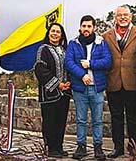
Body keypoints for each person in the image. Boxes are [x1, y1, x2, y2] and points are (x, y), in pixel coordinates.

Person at [65, 15, 112, 160]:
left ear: (94, 28)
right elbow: (69, 62)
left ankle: (98, 146)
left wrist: (90, 64)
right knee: (81, 120)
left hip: (97, 88)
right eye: (84, 26)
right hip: (80, 88)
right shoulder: (73, 43)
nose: (86, 29)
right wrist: (82, 75)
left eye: (89, 26)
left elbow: (107, 61)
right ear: (80, 27)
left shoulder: (101, 43)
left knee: (97, 120)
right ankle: (81, 146)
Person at [102, 5, 136, 158]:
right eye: (120, 15)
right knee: (116, 117)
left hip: (133, 81)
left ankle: (133, 148)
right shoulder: (106, 35)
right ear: (115, 17)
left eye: (126, 15)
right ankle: (117, 148)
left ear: (131, 17)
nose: (123, 18)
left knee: (133, 118)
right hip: (113, 81)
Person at [34, 22, 72, 158]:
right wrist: (58, 84)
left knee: (61, 121)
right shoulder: (43, 49)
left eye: (58, 32)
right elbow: (40, 70)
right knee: (50, 121)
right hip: (49, 93)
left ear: (62, 35)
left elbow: (69, 67)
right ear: (48, 33)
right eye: (53, 31)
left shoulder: (65, 50)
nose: (55, 34)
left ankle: (59, 147)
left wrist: (68, 82)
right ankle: (51, 148)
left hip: (64, 93)